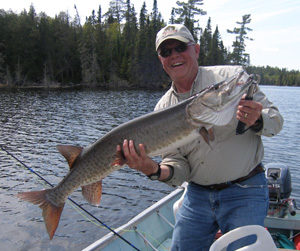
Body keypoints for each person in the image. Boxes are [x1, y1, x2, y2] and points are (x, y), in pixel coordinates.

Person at [119, 24, 284, 250]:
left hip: (245, 189)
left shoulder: (232, 79)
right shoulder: (163, 108)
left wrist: (257, 119)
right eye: (166, 52)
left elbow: (276, 122)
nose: (174, 55)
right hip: (197, 195)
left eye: (180, 47)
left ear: (195, 50)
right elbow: (178, 168)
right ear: (161, 60)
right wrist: (153, 169)